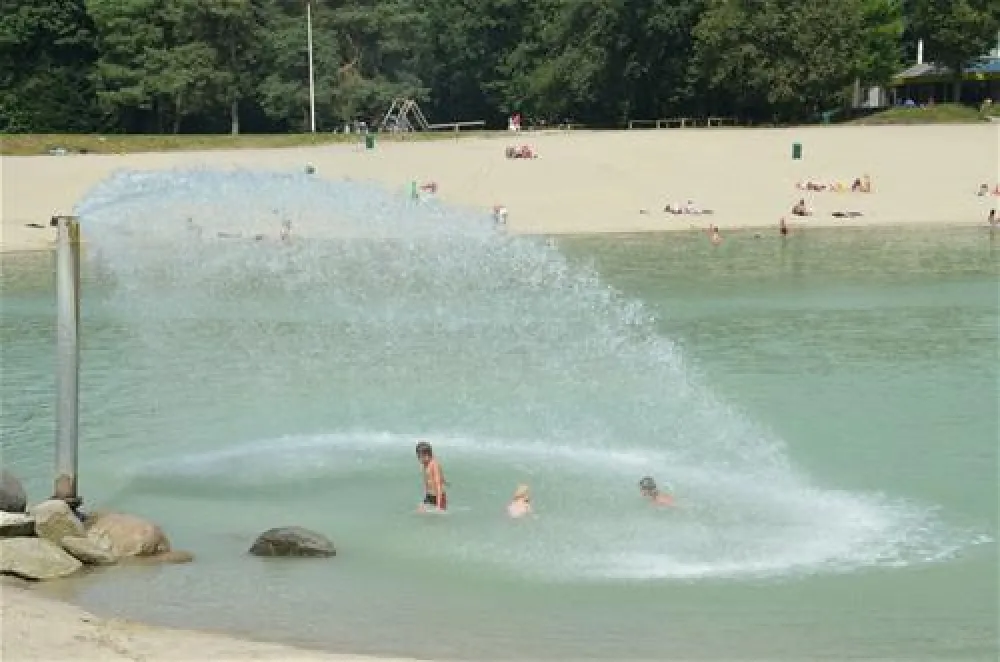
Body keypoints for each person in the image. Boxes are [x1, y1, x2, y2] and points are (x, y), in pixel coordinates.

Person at [416, 440, 447, 512]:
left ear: (427, 455)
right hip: (430, 494)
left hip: (439, 496)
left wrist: (439, 505)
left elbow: (438, 484)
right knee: (420, 511)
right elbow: (428, 480)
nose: (419, 459)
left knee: (439, 515)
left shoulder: (434, 464)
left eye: (420, 456)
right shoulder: (425, 464)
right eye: (418, 456)